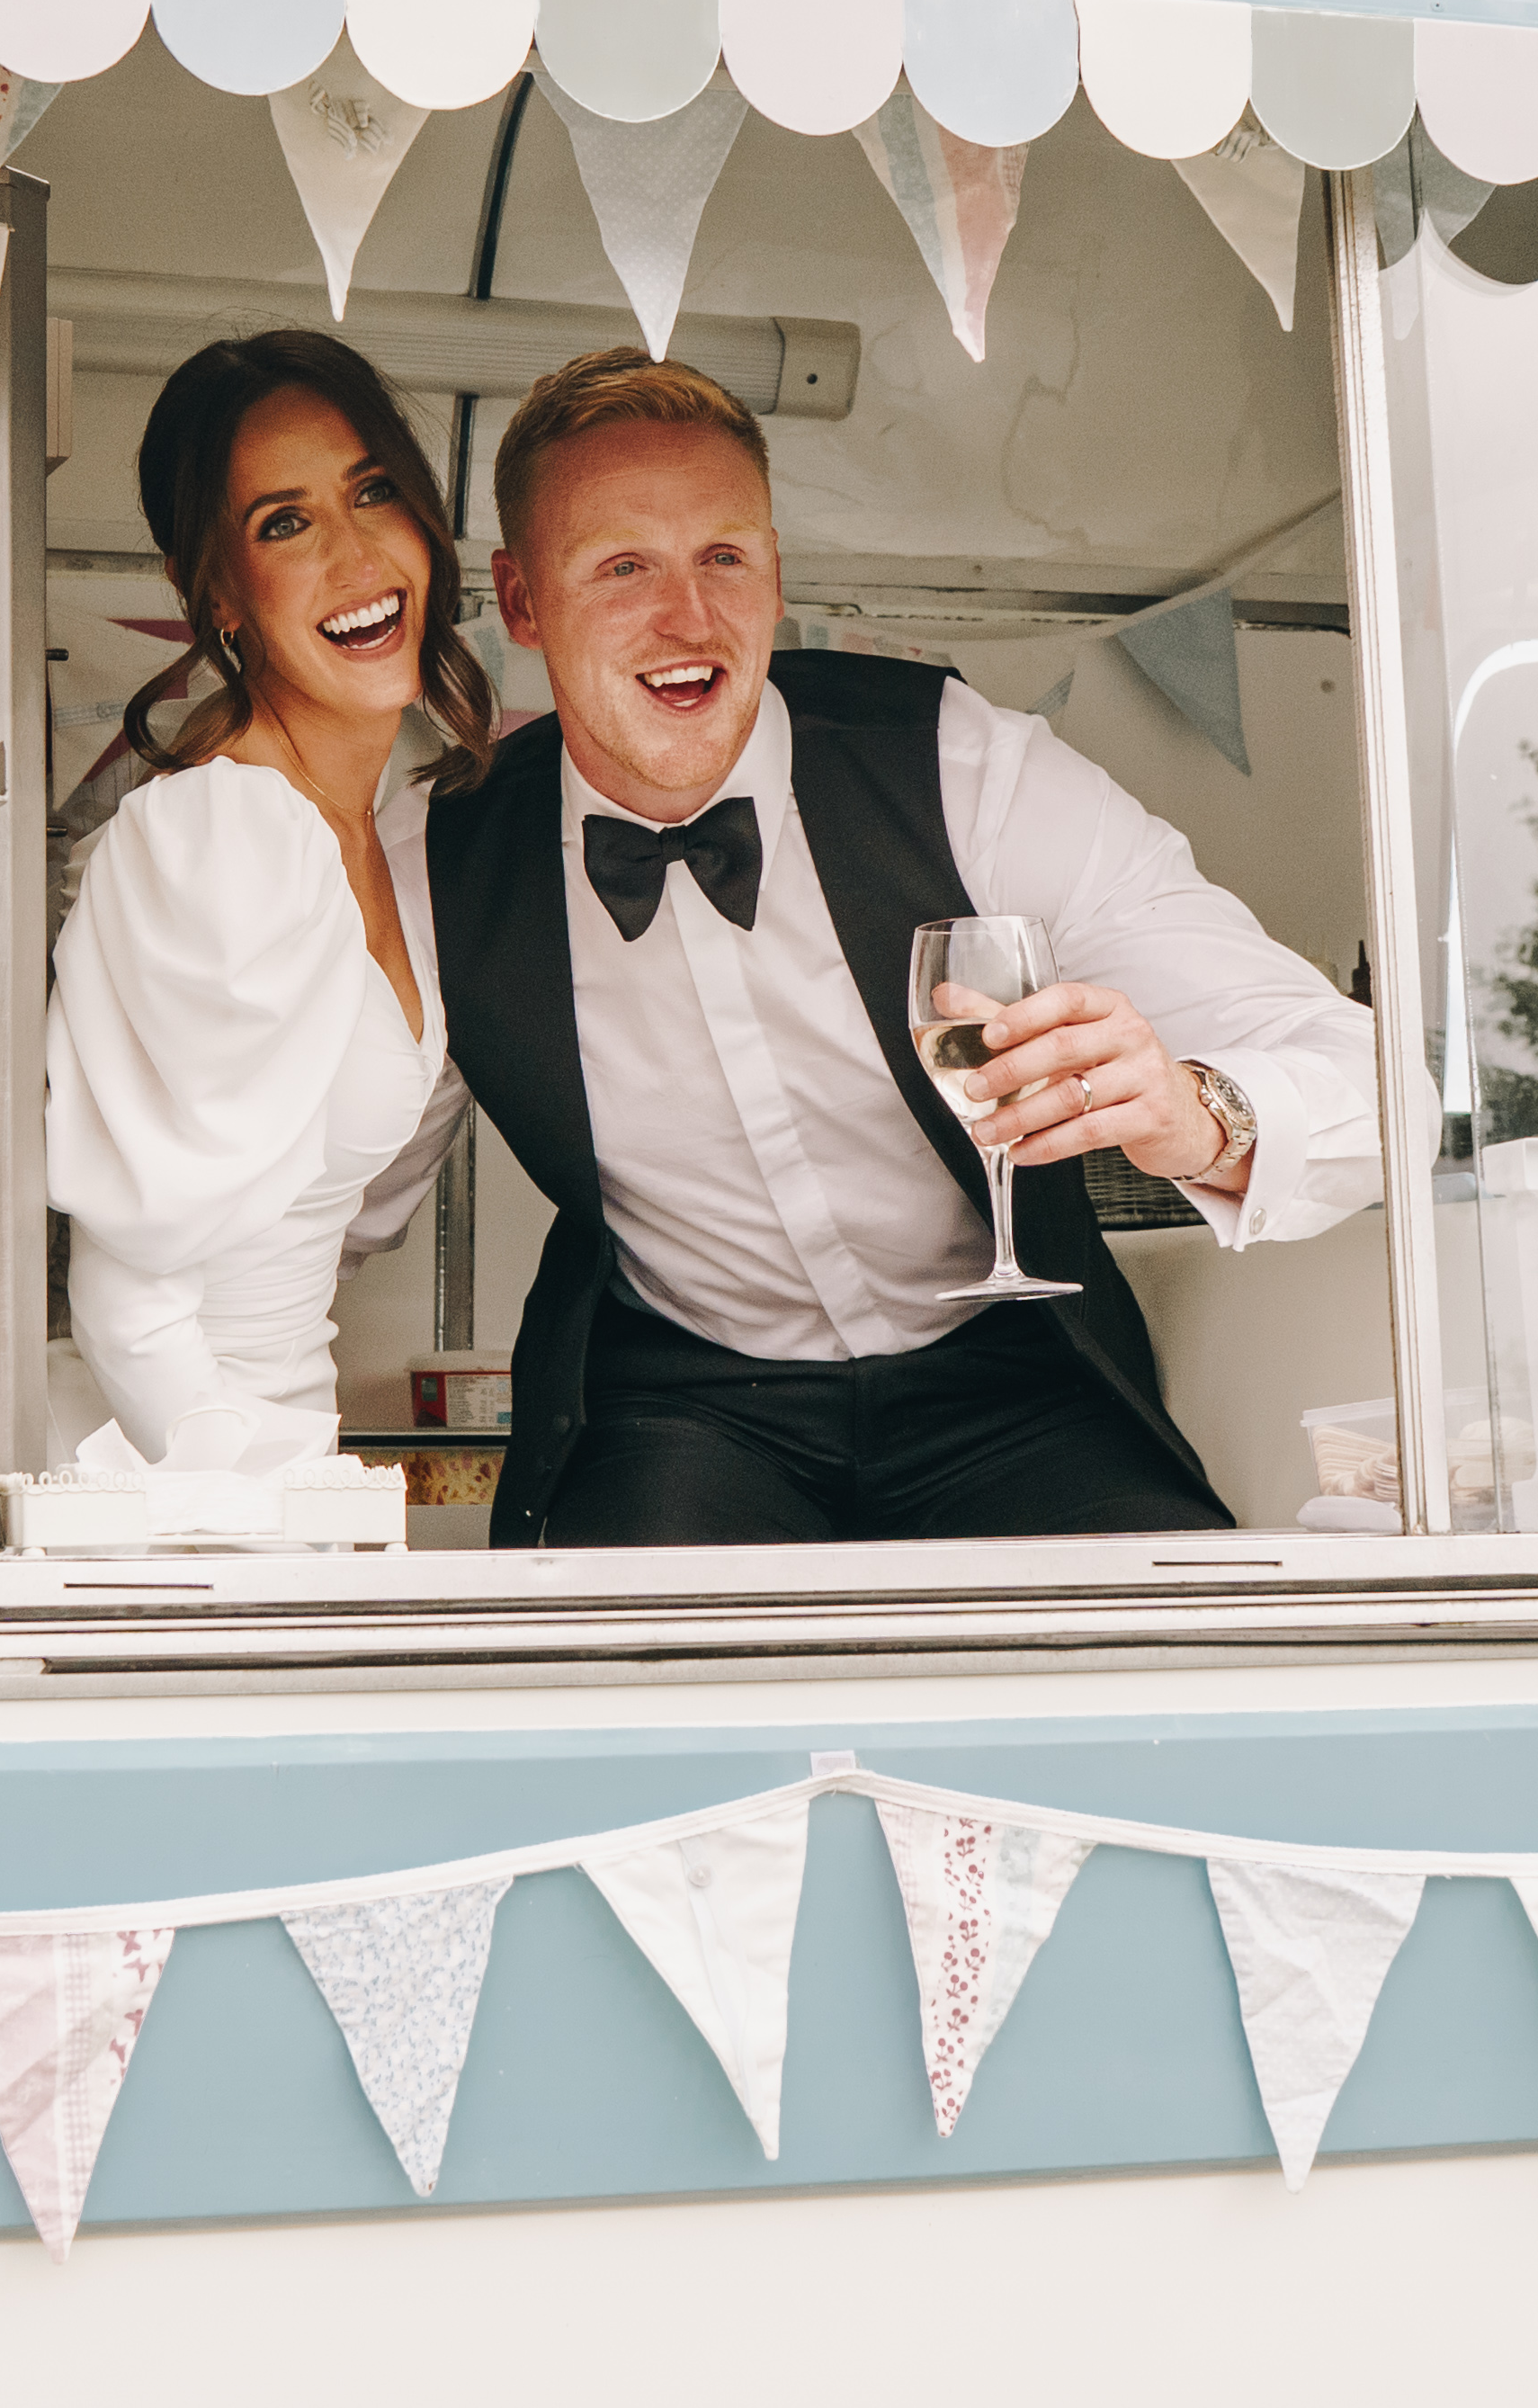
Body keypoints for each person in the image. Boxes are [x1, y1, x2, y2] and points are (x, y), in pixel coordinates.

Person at [424, 347, 1404, 1546]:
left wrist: (1200, 1114)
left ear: (776, 569)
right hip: (676, 1414)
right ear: (520, 600)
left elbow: (1376, 1080)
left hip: (1011, 1383)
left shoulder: (968, 771)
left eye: (725, 556)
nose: (689, 617)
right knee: (631, 1683)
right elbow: (321, 1179)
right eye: (623, 566)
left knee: (1169, 1646)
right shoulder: (441, 859)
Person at [41, 329, 484, 1473]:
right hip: (185, 1482)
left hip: (287, 1457)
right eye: (283, 523)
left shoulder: (368, 825)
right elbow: (128, 1299)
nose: (353, 555)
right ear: (220, 596)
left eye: (372, 491)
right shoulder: (225, 838)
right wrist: (261, 1515)